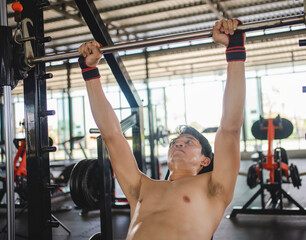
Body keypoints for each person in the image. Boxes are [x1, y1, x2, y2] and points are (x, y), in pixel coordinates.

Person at [78, 18, 245, 240]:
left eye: (188, 142)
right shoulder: (140, 187)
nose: (178, 144)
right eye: (176, 142)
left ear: (206, 160)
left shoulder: (214, 187)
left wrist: (235, 52)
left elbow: (230, 129)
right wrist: (89, 71)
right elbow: (112, 136)